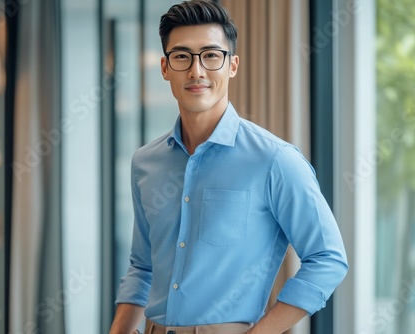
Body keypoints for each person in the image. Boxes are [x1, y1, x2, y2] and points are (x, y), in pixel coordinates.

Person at [109, 1, 348, 333]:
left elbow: (328, 259)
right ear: (165, 68)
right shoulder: (145, 162)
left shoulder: (274, 160)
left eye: (211, 55)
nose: (196, 71)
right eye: (182, 57)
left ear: (232, 65)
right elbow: (142, 266)